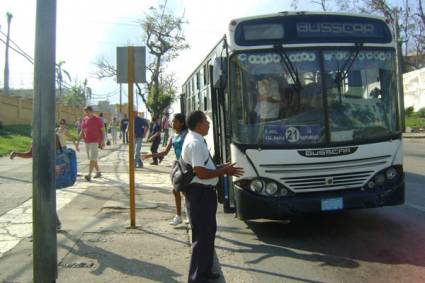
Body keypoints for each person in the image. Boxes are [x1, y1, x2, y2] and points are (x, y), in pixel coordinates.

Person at [182, 110, 244, 283]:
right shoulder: (195, 143)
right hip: (199, 195)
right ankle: (197, 278)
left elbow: (204, 167)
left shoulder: (197, 140)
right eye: (206, 122)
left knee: (208, 234)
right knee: (202, 237)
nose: (209, 125)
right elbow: (201, 173)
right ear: (199, 124)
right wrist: (224, 170)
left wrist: (221, 167)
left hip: (204, 195)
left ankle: (205, 271)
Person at [9, 136, 66, 231]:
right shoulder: (39, 137)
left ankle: (51, 225)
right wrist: (17, 154)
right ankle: (52, 224)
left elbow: (56, 153)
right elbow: (31, 154)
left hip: (49, 173)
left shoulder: (52, 135)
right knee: (43, 200)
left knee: (45, 200)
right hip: (42, 173)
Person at [142, 113, 188, 225]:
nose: (172, 123)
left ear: (182, 123)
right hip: (179, 165)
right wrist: (150, 155)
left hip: (188, 165)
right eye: (172, 121)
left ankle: (184, 215)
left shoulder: (186, 134)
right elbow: (165, 152)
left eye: (175, 121)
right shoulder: (173, 136)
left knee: (182, 191)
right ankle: (181, 216)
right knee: (178, 190)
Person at [77, 106, 105, 181]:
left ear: (92, 111)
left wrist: (102, 141)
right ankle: (98, 172)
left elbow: (102, 131)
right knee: (92, 158)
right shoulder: (85, 119)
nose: (86, 114)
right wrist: (78, 142)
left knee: (92, 158)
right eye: (85, 112)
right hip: (87, 141)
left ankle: (89, 175)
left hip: (95, 141)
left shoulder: (98, 119)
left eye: (88, 112)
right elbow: (82, 131)